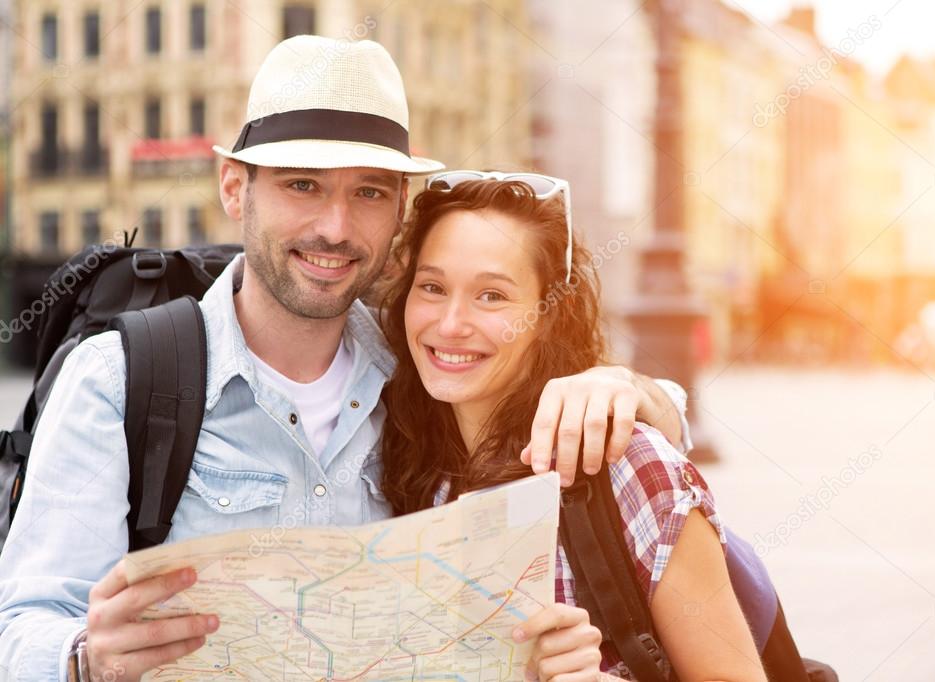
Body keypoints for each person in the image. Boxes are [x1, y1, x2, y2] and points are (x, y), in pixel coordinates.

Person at [0, 37, 691, 680]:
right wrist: (84, 659)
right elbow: (19, 627)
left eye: (367, 192)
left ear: (399, 211)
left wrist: (628, 386)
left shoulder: (424, 369)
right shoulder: (119, 379)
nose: (334, 227)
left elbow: (580, 438)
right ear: (235, 187)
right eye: (302, 185)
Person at [378, 173, 768, 681]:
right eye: (432, 287)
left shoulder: (625, 464)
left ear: (547, 315)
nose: (450, 323)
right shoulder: (410, 460)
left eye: (492, 296)